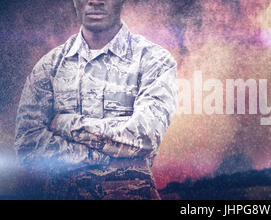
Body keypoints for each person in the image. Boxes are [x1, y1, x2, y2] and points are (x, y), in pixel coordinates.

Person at [14, 0, 177, 200]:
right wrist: (105, 155)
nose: (95, 1)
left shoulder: (155, 60)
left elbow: (145, 136)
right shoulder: (49, 66)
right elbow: (27, 146)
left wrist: (66, 123)